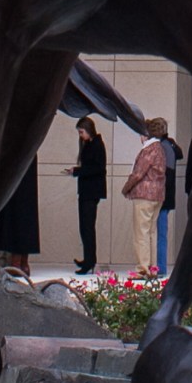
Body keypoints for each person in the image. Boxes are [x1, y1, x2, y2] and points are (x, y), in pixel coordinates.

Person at [124, 119, 168, 271]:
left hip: (144, 195)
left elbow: (138, 173)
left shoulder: (149, 149)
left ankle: (143, 268)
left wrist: (126, 188)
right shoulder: (160, 148)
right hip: (158, 195)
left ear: (145, 134)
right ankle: (152, 266)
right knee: (151, 232)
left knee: (141, 232)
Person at [66, 117, 107, 274]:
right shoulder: (90, 144)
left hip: (91, 191)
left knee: (88, 227)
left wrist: (77, 171)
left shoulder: (96, 145)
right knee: (84, 227)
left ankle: (90, 261)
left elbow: (98, 168)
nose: (80, 135)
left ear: (89, 130)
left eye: (81, 132)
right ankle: (88, 258)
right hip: (87, 191)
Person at [0, 160, 40, 276]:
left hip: (15, 172)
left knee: (16, 213)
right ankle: (22, 263)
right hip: (21, 172)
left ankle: (17, 263)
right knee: (24, 214)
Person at [156, 123, 183, 274]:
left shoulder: (162, 147)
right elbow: (180, 155)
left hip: (162, 195)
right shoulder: (170, 145)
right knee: (161, 233)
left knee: (159, 233)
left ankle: (160, 267)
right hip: (167, 194)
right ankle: (160, 267)